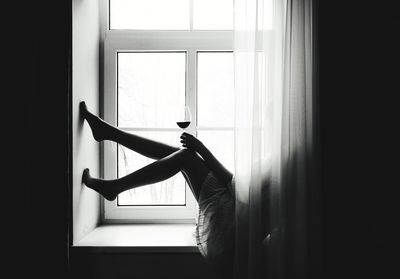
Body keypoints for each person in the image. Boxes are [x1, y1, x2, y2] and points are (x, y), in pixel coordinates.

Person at [80, 101, 235, 279]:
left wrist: (202, 148)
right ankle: (108, 135)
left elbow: (235, 185)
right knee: (182, 155)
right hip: (230, 204)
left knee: (186, 156)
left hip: (228, 218)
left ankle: (114, 184)